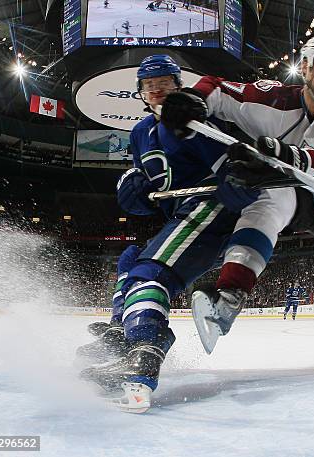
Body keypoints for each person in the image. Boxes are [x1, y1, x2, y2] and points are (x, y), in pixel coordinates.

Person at [163, 34, 314, 359]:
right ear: (306, 67)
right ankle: (227, 299)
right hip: (283, 187)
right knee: (269, 199)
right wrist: (193, 99)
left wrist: (287, 155)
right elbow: (217, 89)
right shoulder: (273, 98)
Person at [78, 55, 257, 411]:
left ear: (179, 86)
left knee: (150, 273)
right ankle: (122, 332)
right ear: (141, 93)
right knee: (131, 260)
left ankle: (145, 350)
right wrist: (134, 190)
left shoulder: (195, 121)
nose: (157, 90)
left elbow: (235, 166)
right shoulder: (140, 133)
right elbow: (145, 184)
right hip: (181, 214)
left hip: (213, 210)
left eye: (164, 83)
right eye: (149, 85)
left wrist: (241, 178)